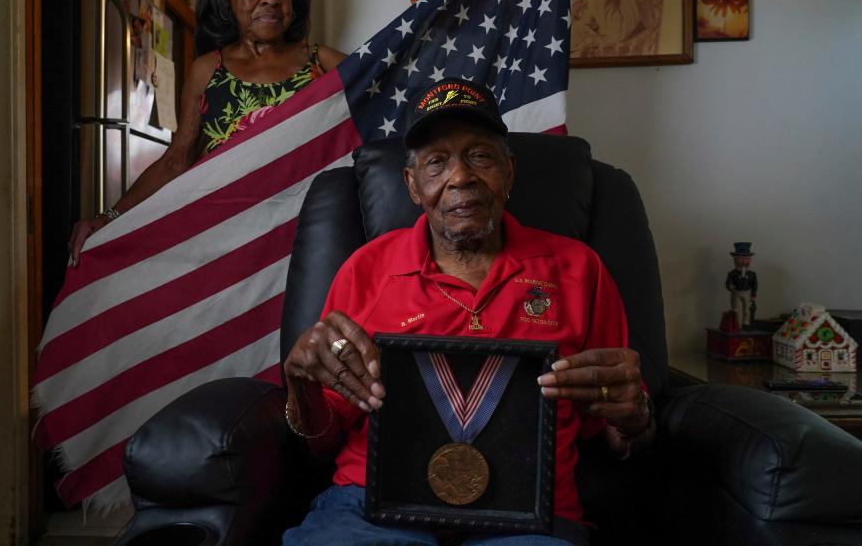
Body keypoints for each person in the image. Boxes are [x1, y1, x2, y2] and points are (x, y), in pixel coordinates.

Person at [281, 79, 655, 546]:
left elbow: (619, 436)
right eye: (437, 162)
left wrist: (635, 414)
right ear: (413, 186)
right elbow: (322, 443)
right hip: (372, 508)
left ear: (509, 172)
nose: (460, 177)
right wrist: (299, 383)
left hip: (531, 514)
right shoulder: (366, 268)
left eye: (480, 156)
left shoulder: (579, 269)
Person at [68, 0, 345, 264]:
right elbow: (176, 161)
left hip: (305, 237)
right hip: (229, 244)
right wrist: (109, 219)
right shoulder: (207, 70)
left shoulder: (322, 62)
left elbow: (383, 97)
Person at [725, 242, 758, 328]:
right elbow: (728, 283)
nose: (743, 261)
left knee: (746, 310)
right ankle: (736, 324)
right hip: (736, 293)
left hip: (747, 292)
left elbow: (754, 285)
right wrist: (730, 287)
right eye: (740, 258)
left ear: (749, 260)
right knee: (735, 310)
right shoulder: (732, 273)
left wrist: (753, 295)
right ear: (735, 259)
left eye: (746, 259)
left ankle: (745, 323)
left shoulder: (752, 274)